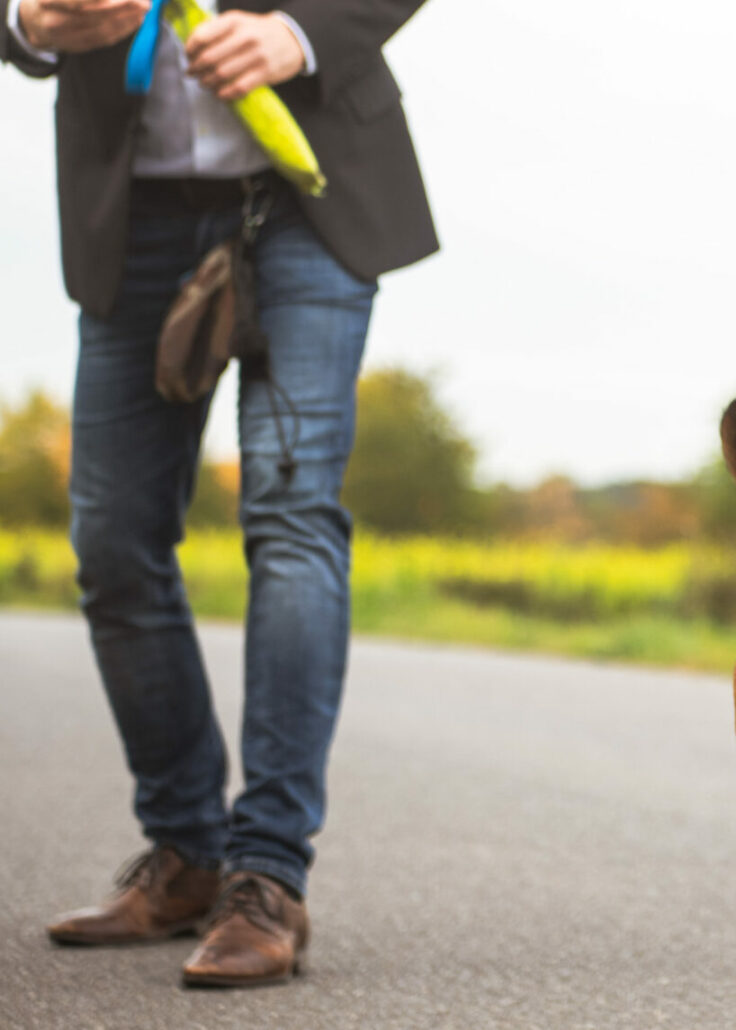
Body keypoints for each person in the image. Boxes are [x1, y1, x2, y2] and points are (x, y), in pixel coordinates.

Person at [1, 0, 437, 987]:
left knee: (289, 515)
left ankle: (268, 875)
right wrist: (29, 21)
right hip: (132, 204)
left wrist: (304, 31)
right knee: (111, 539)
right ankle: (188, 854)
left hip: (304, 192)